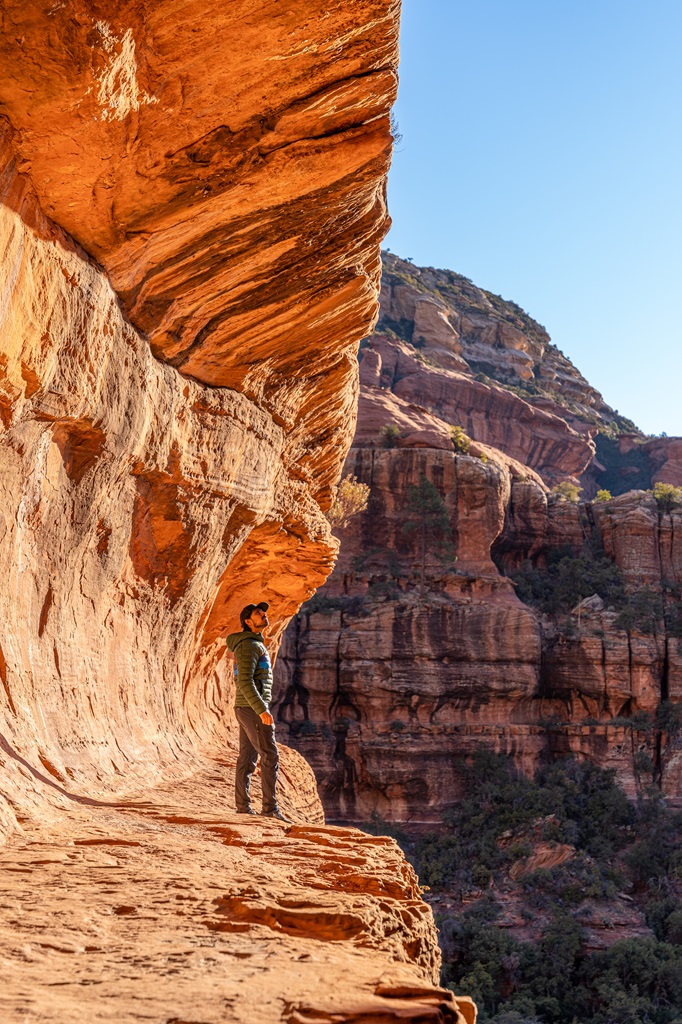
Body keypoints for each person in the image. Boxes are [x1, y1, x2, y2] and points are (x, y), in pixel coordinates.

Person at [226, 601, 291, 822]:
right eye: (257, 613)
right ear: (247, 621)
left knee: (248, 757)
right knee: (269, 755)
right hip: (252, 709)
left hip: (246, 708)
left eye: (263, 612)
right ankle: (270, 809)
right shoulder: (248, 646)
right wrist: (262, 710)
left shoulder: (253, 644)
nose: (263, 615)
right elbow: (243, 681)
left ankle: (243, 807)